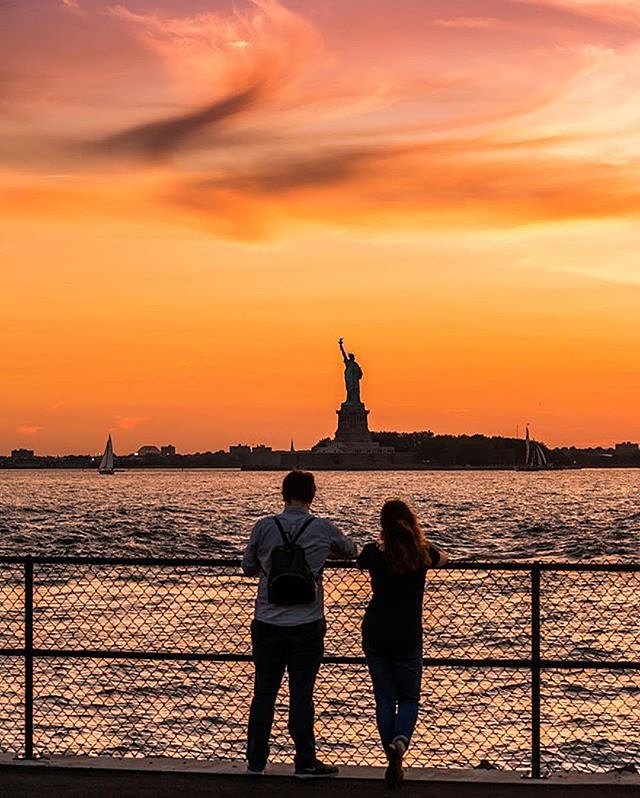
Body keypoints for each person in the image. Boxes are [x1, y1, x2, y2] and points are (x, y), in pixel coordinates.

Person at [242, 470, 358, 778]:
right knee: (302, 692)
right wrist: (322, 552)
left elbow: (248, 567)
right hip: (307, 622)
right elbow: (352, 551)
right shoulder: (321, 528)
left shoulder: (265, 526)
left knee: (264, 691)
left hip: (267, 621)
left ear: (283, 494)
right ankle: (305, 760)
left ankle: (256, 761)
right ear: (312, 495)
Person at [358, 499, 448, 788]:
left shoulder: (374, 553)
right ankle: (400, 743)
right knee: (408, 698)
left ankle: (390, 754)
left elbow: (359, 560)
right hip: (407, 633)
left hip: (376, 631)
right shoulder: (421, 553)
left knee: (384, 698)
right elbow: (444, 558)